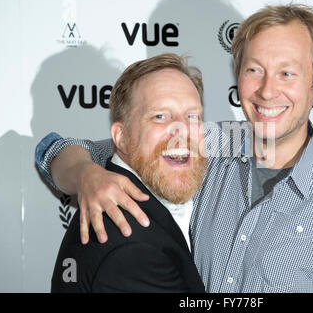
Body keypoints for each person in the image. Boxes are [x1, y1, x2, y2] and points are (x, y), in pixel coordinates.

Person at [37, 3, 313, 292]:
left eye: (287, 73)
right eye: (254, 70)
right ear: (238, 76)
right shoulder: (209, 144)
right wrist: (86, 174)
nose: (267, 90)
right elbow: (58, 148)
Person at [50, 53, 206, 292]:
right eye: (160, 116)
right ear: (121, 138)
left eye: (192, 116)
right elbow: (52, 148)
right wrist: (83, 172)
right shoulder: (135, 246)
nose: (182, 129)